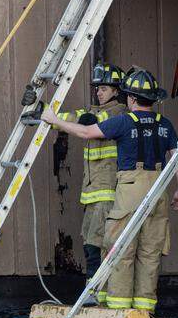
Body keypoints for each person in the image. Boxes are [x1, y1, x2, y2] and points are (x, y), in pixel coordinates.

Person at [43, 67, 178, 315]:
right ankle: (145, 309)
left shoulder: (123, 121)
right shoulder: (166, 125)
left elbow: (87, 132)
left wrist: (54, 121)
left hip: (130, 190)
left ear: (130, 98)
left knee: (121, 249)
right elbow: (177, 156)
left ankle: (119, 307)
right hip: (159, 190)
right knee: (150, 253)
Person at [50, 62, 126, 293]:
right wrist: (44, 112)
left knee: (99, 242)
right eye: (97, 88)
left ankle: (96, 291)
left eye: (104, 88)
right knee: (90, 241)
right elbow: (74, 116)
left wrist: (59, 120)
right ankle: (93, 290)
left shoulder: (119, 112)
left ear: (116, 90)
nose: (99, 92)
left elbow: (91, 121)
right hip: (92, 191)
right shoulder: (94, 111)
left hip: (107, 190)